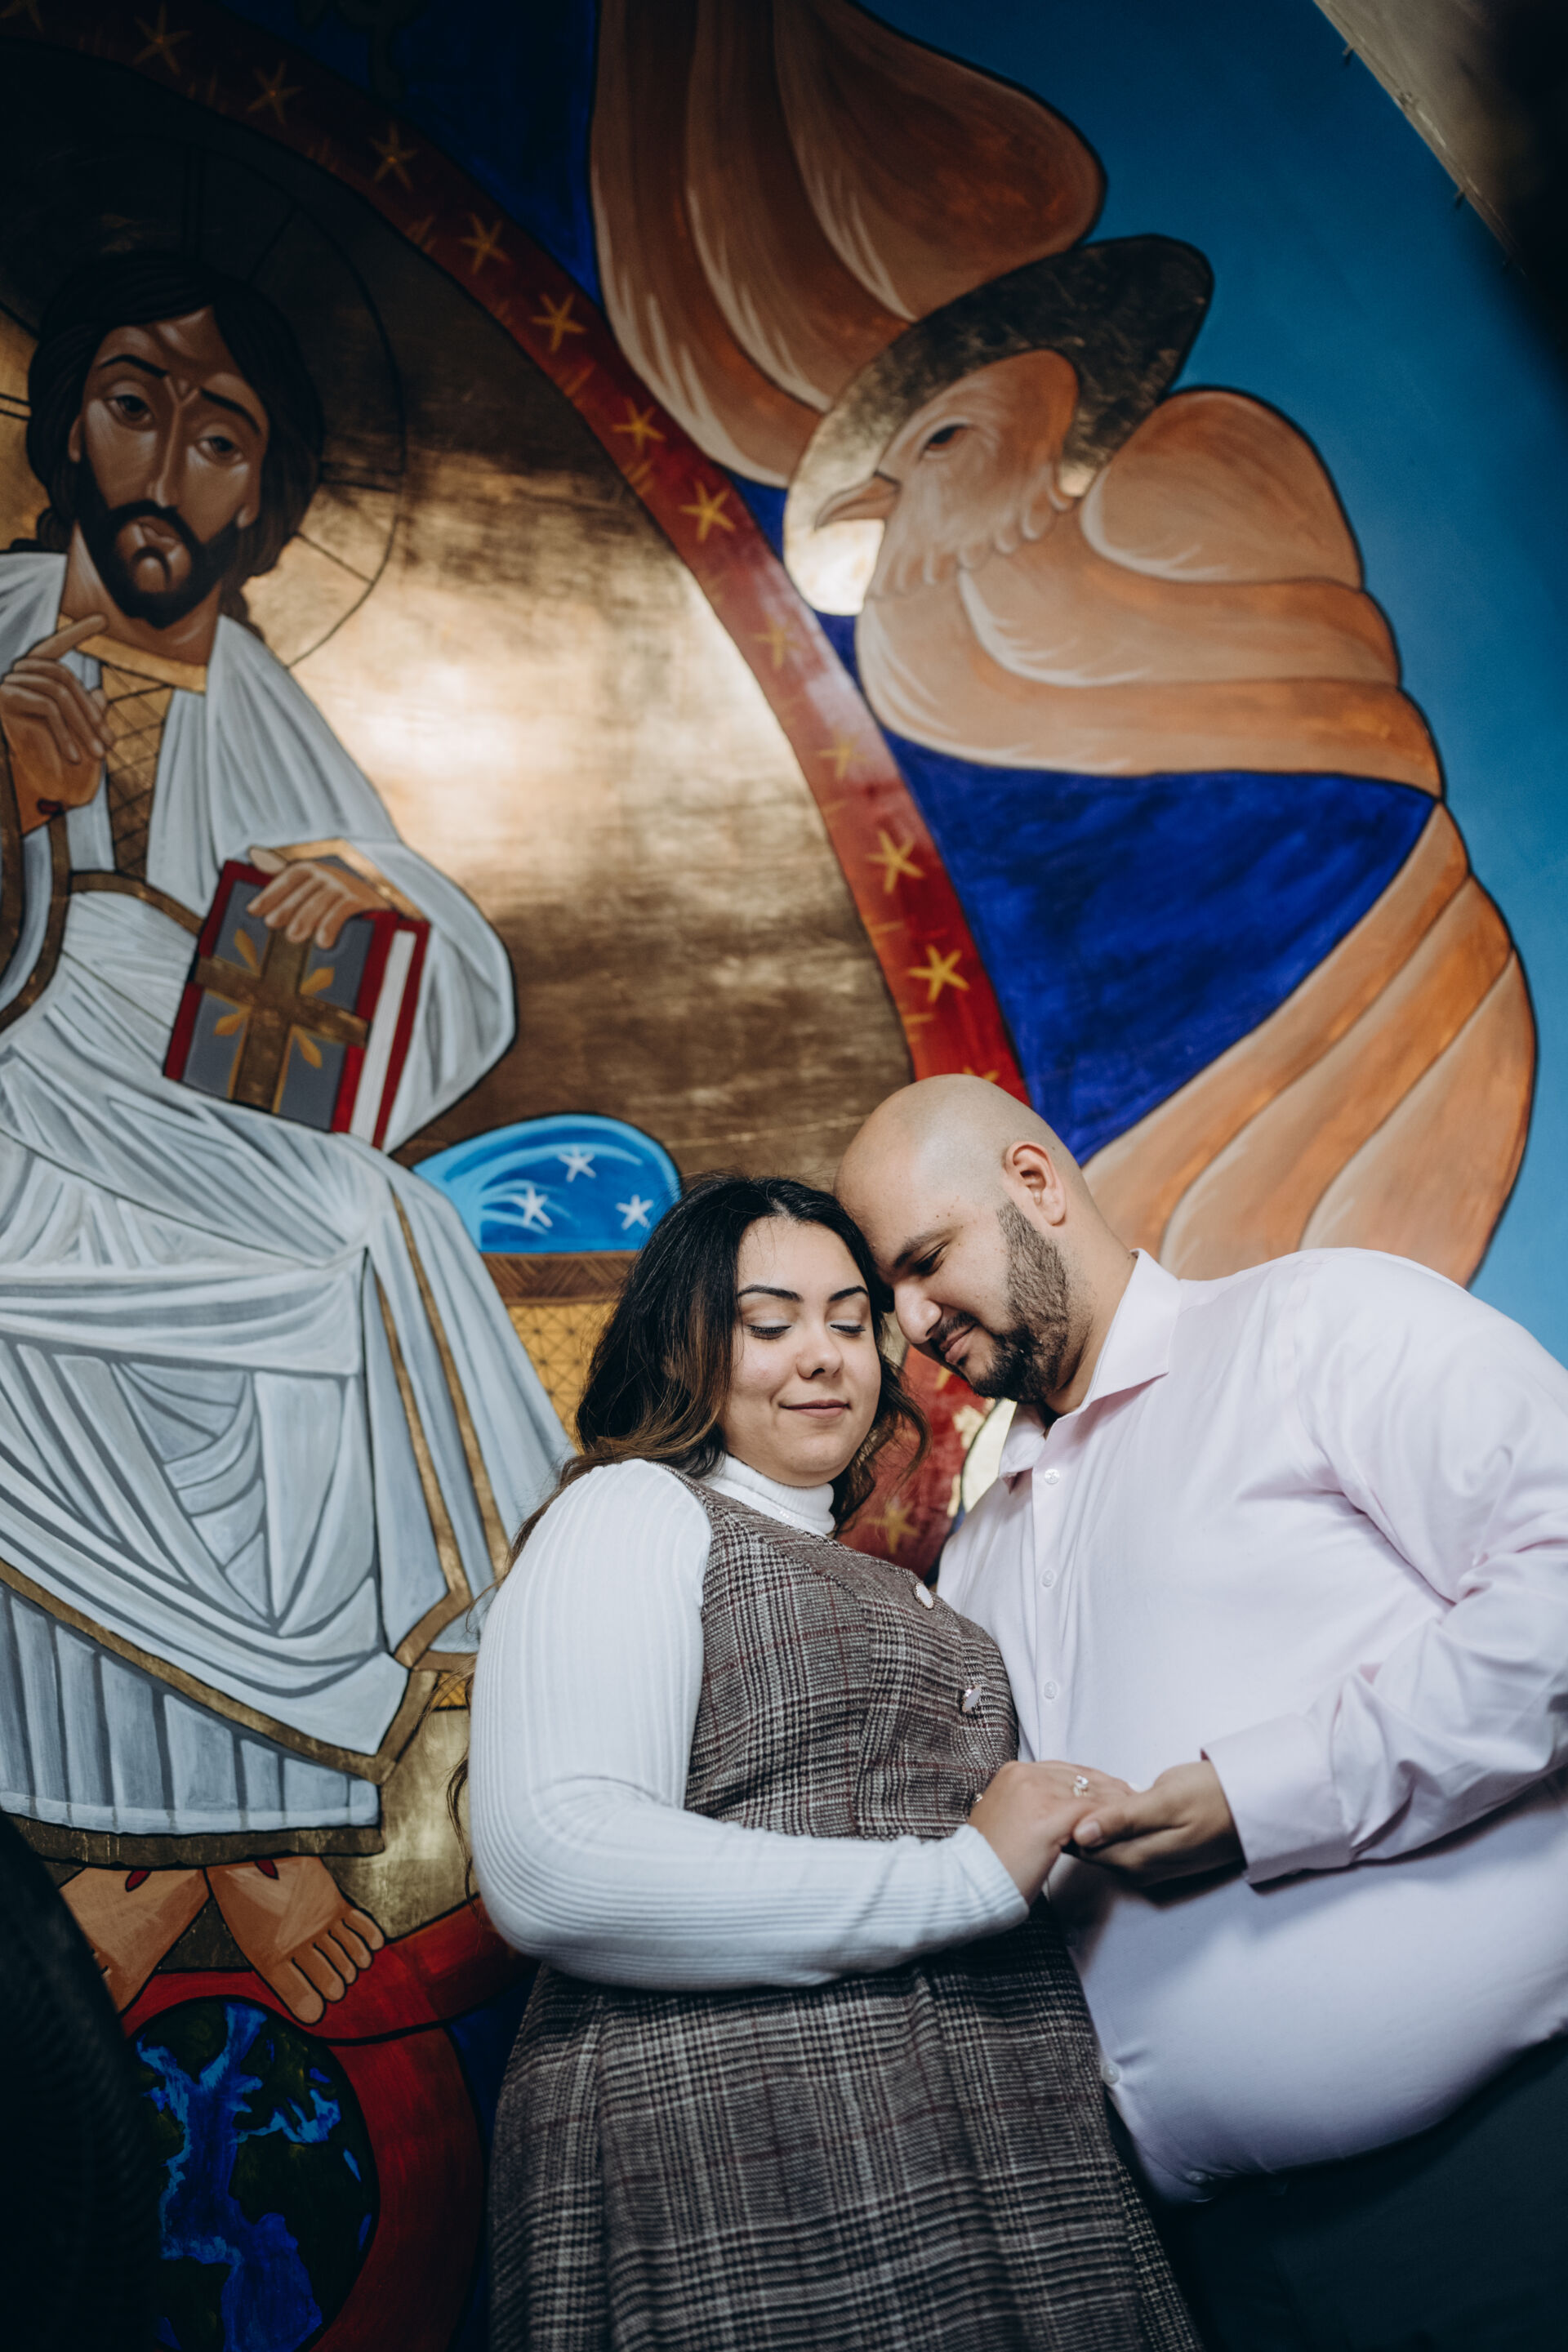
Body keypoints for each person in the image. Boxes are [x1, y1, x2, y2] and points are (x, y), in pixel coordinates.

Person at [0, 252, 564, 2023]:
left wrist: (369, 893)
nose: (168, 470)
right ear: (66, 426)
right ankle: (200, 1842)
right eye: (134, 407)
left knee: (376, 1233)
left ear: (263, 493)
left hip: (187, 1116)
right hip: (16, 1080)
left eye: (220, 437)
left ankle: (242, 1807)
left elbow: (437, 964)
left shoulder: (257, 700)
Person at [837, 1073, 1568, 2352]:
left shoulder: (1319, 1326)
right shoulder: (979, 1550)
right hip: (1220, 2271)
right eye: (887, 1289)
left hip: (1503, 2178)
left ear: (1033, 1184)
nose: (910, 1324)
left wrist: (1256, 1795)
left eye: (928, 1261)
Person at [470, 1173, 1198, 2351]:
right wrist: (961, 1879)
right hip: (754, 2145)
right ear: (684, 1346)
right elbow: (555, 1859)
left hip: (995, 2145)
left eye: (851, 1323)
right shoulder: (635, 1507)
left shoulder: (915, 1579)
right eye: (769, 1325)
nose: (822, 1356)